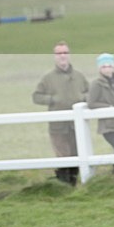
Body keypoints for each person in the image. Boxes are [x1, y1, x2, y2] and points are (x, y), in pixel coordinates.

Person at [32, 40, 89, 185]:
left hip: (77, 126)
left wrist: (83, 98)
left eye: (65, 52)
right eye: (59, 53)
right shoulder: (48, 78)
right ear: (55, 56)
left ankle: (74, 186)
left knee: (78, 156)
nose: (62, 56)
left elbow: (90, 93)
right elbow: (36, 97)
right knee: (63, 157)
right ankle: (63, 187)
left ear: (69, 55)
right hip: (58, 127)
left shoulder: (79, 76)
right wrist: (53, 100)